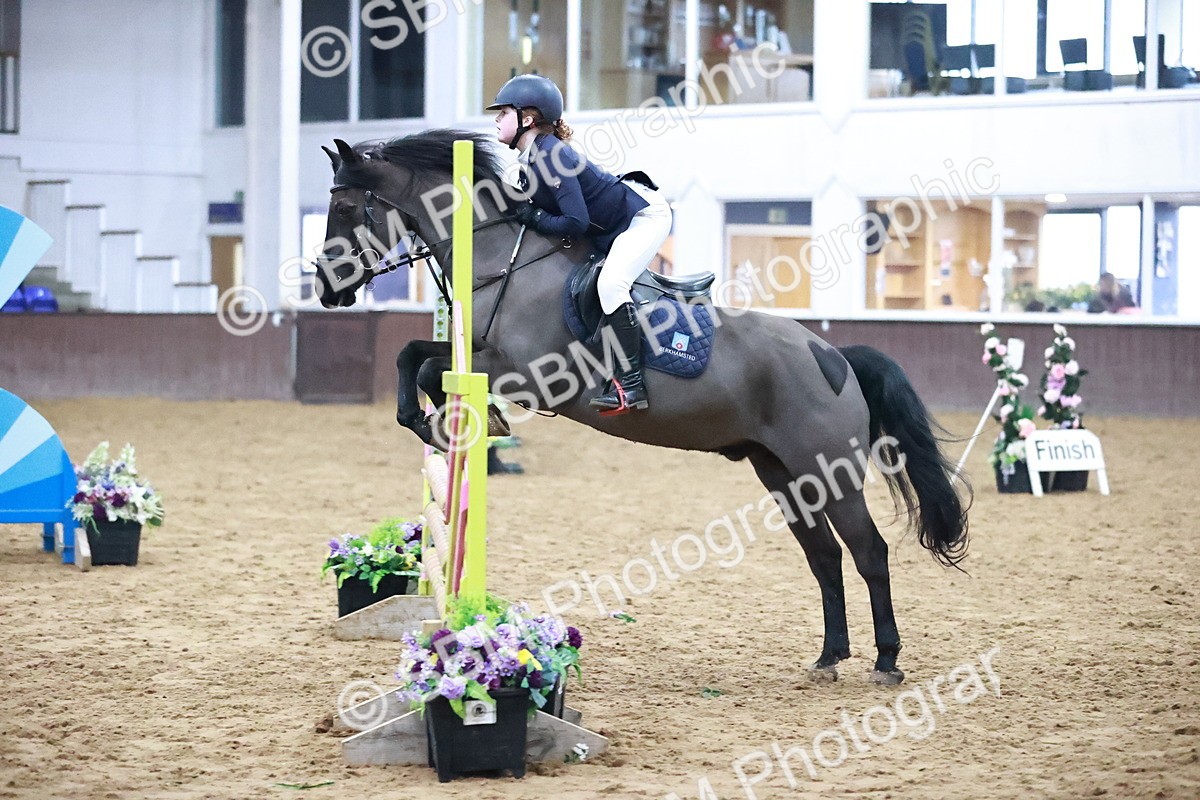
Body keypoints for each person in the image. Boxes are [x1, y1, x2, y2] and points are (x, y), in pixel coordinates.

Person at [487, 74, 673, 415]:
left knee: (611, 283)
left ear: (527, 118)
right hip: (611, 228)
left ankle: (631, 385)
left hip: (643, 218)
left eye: (503, 113)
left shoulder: (551, 155)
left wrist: (533, 217)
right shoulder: (528, 162)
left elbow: (576, 222)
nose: (497, 119)